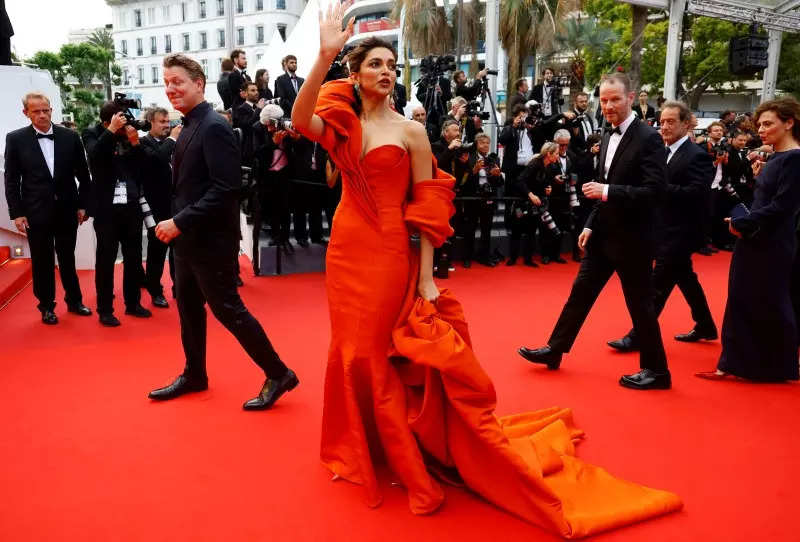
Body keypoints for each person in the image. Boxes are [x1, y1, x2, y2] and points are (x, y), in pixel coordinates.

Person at [292, 8, 682, 537]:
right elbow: (299, 121)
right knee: (350, 349)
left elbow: (428, 208)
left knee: (378, 351)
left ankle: (403, 457)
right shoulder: (342, 123)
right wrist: (321, 55)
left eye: (391, 65)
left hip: (388, 253)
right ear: (356, 74)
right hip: (345, 253)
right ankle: (365, 448)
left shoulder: (411, 132)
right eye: (375, 64)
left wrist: (427, 276)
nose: (385, 72)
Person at [149, 53, 298, 409]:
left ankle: (278, 373)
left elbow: (225, 189)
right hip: (187, 240)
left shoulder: (213, 126)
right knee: (188, 308)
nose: (171, 89)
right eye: (167, 82)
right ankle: (195, 373)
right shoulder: (188, 125)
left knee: (229, 310)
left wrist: (179, 221)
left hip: (210, 241)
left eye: (178, 82)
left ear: (198, 84)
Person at [519, 72, 671, 391]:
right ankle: (555, 350)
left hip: (633, 239)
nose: (609, 106)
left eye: (615, 99)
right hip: (603, 235)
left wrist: (607, 191)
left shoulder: (649, 137)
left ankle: (657, 371)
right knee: (580, 294)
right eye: (603, 100)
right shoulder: (604, 133)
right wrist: (590, 223)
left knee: (640, 305)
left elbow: (655, 192)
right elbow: (600, 188)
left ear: (631, 97)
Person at [696, 97, 800, 382]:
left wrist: (744, 222)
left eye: (768, 124)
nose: (761, 130)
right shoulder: (778, 158)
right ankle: (749, 365)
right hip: (758, 238)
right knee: (751, 300)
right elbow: (768, 200)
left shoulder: (794, 159)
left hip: (770, 243)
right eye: (759, 125)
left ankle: (764, 366)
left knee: (767, 301)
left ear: (789, 123)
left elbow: (783, 206)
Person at [607, 101, 717, 352]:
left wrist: (659, 190)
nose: (664, 127)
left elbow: (697, 194)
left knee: (656, 286)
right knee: (686, 278)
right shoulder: (660, 151)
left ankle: (638, 336)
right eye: (662, 122)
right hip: (660, 227)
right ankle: (705, 325)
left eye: (671, 122)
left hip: (682, 231)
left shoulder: (697, 155)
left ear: (686, 124)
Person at [4, 92, 92, 324]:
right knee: (42, 262)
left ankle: (75, 301)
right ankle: (46, 306)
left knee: (67, 259)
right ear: (26, 113)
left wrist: (83, 205)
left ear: (51, 110)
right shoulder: (15, 139)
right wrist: (17, 212)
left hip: (67, 209)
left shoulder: (70, 137)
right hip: (35, 212)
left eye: (46, 110)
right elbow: (11, 180)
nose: (43, 115)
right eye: (37, 111)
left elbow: (84, 175)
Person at [82, 102, 152, 327]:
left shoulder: (129, 136)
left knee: (133, 258)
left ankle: (133, 303)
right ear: (106, 122)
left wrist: (135, 143)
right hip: (106, 209)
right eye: (118, 123)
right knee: (106, 259)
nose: (124, 126)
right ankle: (105, 309)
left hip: (131, 205)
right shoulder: (92, 133)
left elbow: (143, 168)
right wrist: (111, 131)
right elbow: (94, 156)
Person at [139, 107, 181, 307]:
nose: (167, 125)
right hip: (155, 208)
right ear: (150, 123)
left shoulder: (173, 143)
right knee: (156, 253)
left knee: (178, 253)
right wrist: (172, 140)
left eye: (167, 121)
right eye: (162, 121)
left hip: (178, 207)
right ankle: (155, 291)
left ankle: (179, 289)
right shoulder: (141, 143)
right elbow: (156, 161)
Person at [508, 142, 559, 267]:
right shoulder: (535, 163)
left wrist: (548, 188)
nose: (558, 156)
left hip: (536, 203)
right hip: (522, 201)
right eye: (556, 154)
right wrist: (530, 194)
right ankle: (513, 258)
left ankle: (528, 259)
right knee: (517, 230)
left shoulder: (551, 167)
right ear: (549, 154)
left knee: (532, 230)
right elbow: (520, 181)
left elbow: (546, 183)